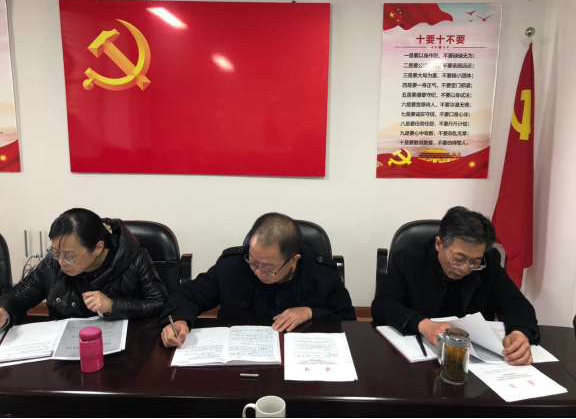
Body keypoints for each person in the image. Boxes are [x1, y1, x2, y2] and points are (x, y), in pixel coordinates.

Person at [372, 206, 539, 366]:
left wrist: (520, 331)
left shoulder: (489, 261)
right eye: (458, 259)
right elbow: (383, 304)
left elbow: (514, 302)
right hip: (419, 355)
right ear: (439, 244)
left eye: (475, 261)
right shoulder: (408, 258)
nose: (465, 268)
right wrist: (422, 324)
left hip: (471, 360)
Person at [160, 213, 356, 348]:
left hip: (300, 355)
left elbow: (347, 319)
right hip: (242, 353)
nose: (258, 272)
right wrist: (179, 320)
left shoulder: (322, 274)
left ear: (293, 260)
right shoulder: (232, 266)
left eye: (269, 267)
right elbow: (189, 294)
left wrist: (310, 312)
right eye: (253, 262)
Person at [0, 208, 168, 329]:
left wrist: (113, 305)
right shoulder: (53, 262)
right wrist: (5, 311)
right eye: (56, 252)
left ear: (98, 248)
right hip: (66, 348)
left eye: (69, 256)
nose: (61, 262)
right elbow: (17, 297)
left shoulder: (134, 259)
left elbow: (159, 303)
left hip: (124, 348)